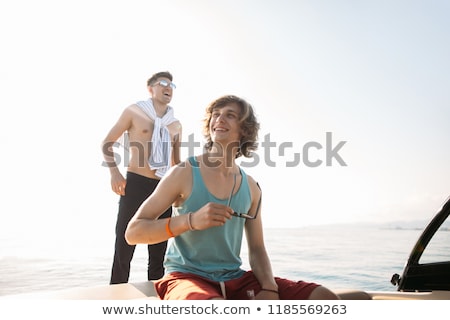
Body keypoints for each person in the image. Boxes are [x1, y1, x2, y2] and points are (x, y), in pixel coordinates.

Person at [125, 94, 339, 300]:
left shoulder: (252, 187)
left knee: (325, 297)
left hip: (235, 278)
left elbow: (256, 248)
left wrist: (269, 288)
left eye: (230, 115)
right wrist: (189, 221)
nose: (219, 119)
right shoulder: (184, 172)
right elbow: (133, 232)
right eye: (216, 114)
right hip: (185, 277)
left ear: (244, 130)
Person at [102, 71, 182, 284]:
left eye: (172, 86)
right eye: (163, 83)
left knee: (158, 252)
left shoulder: (175, 125)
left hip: (163, 188)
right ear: (150, 88)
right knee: (124, 247)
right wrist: (114, 173)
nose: (168, 88)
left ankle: (157, 297)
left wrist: (180, 193)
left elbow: (177, 165)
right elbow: (107, 143)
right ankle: (115, 296)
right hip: (135, 183)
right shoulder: (134, 112)